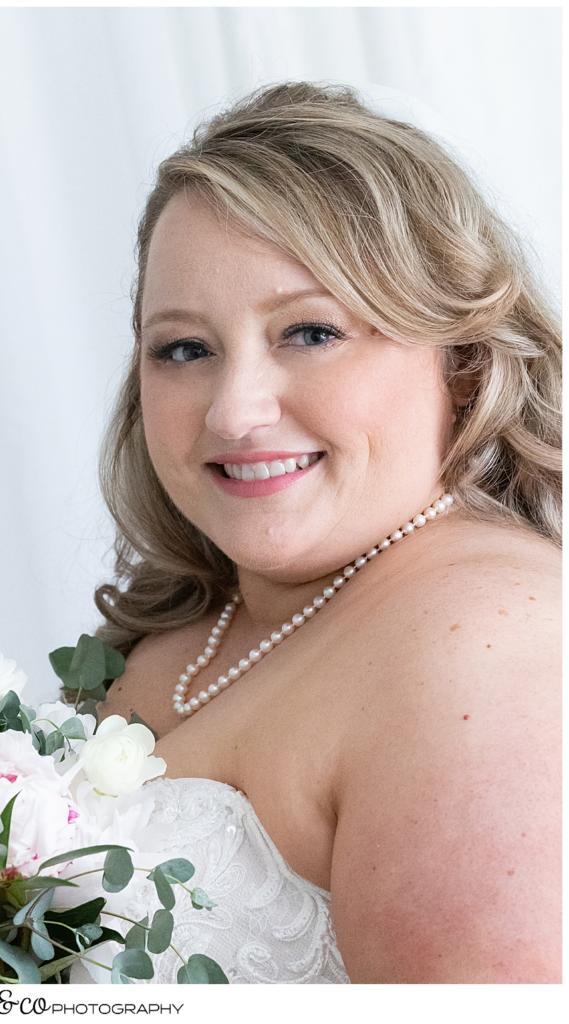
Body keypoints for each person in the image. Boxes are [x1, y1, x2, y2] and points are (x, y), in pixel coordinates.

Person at [93, 81, 561, 983]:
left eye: (309, 331)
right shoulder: (194, 620)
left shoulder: (486, 648)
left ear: (460, 362)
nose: (233, 413)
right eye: (183, 349)